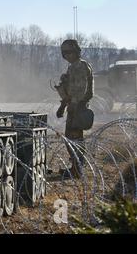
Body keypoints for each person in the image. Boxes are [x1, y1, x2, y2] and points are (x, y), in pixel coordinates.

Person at [55, 39, 94, 178]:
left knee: (75, 138)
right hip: (73, 106)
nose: (67, 55)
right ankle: (75, 167)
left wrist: (73, 106)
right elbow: (70, 91)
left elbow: (81, 90)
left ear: (77, 51)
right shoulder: (72, 67)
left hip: (79, 107)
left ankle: (77, 170)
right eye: (64, 53)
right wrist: (62, 106)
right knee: (71, 138)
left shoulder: (81, 66)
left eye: (70, 52)